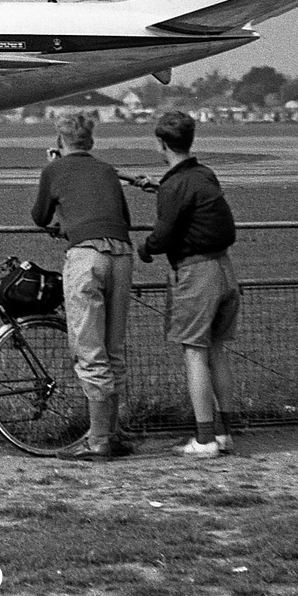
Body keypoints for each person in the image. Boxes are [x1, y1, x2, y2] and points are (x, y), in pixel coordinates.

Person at [134, 111, 240, 458]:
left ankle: (205, 440)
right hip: (225, 269)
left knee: (194, 353)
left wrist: (145, 249)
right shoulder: (202, 174)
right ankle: (225, 434)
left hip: (197, 275)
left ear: (161, 144)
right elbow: (190, 201)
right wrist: (160, 186)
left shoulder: (175, 185)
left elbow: (163, 237)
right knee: (217, 351)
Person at [30, 112, 134, 460]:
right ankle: (112, 432)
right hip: (121, 253)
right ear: (91, 142)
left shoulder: (54, 170)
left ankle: (98, 440)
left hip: (86, 257)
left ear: (60, 141)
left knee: (89, 349)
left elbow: (39, 216)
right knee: (113, 348)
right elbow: (124, 218)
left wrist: (54, 174)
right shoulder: (106, 170)